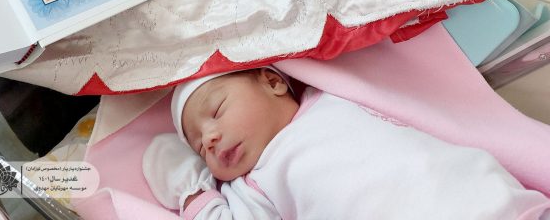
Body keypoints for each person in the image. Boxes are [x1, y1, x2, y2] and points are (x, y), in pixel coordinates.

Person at [143, 66, 550, 220]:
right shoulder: (251, 187)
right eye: (200, 148)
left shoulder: (336, 92)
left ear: (273, 81)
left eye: (217, 111)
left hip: (494, 201)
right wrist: (192, 191)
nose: (210, 138)